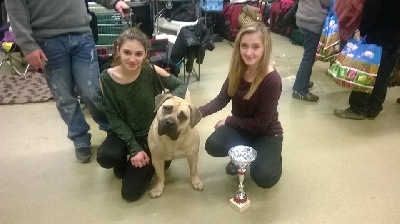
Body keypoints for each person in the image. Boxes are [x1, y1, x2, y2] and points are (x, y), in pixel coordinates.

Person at [5, 0, 130, 163]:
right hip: (47, 42)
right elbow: (15, 9)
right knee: (64, 97)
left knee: (91, 92)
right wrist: (28, 46)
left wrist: (114, 2)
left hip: (82, 35)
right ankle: (80, 139)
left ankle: (113, 129)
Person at [96, 27, 187, 202]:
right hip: (123, 133)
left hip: (149, 135)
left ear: (146, 54)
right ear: (118, 50)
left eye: (138, 54)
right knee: (106, 157)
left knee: (130, 194)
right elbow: (113, 117)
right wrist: (133, 148)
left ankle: (152, 160)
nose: (132, 59)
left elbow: (180, 86)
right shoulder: (105, 79)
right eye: (127, 52)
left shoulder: (151, 71)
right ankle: (127, 160)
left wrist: (167, 101)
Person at [199, 22, 283, 189]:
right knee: (213, 145)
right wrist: (195, 113)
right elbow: (221, 99)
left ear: (265, 48)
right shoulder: (238, 70)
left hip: (266, 133)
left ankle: (270, 156)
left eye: (255, 47)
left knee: (265, 177)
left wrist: (229, 121)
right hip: (242, 130)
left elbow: (260, 124)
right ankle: (242, 155)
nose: (248, 52)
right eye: (244, 46)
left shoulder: (272, 80)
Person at [333, 0, 400, 120]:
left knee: (365, 69)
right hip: (396, 36)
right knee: (384, 71)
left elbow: (372, 9)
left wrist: (363, 30)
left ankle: (357, 108)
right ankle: (374, 108)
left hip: (378, 32)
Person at [291, 0, 332, 102]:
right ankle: (300, 90)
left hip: (303, 16)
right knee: (309, 57)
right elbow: (328, 2)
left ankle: (303, 81)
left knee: (308, 55)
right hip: (313, 20)